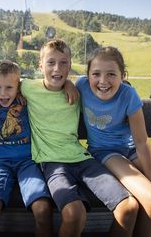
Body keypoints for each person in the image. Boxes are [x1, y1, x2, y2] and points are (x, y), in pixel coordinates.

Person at [20, 39, 139, 237]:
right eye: (51, 62)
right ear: (40, 65)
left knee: (129, 208)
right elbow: (0, 82)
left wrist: (69, 83)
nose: (57, 68)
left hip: (83, 158)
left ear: (70, 65)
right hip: (52, 163)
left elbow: (108, 90)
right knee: (75, 214)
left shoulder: (78, 91)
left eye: (63, 62)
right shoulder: (28, 88)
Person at [76, 46, 151, 237]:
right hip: (105, 152)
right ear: (88, 75)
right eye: (96, 74)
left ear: (123, 76)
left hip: (132, 148)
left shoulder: (128, 94)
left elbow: (141, 141)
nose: (103, 81)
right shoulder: (81, 86)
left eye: (111, 74)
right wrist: (67, 85)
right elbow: (60, 85)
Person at [0, 60, 53, 237]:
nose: (3, 94)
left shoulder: (27, 98)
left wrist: (69, 86)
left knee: (43, 211)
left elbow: (50, 86)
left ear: (18, 86)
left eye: (9, 88)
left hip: (28, 162)